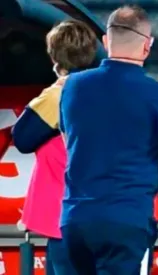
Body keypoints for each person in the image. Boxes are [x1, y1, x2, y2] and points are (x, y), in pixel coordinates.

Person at [58, 6, 158, 274]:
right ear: (147, 47)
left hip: (75, 219)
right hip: (125, 222)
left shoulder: (71, 87)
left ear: (105, 41)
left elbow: (69, 142)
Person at [11, 19, 97, 275]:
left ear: (53, 57)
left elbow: (23, 138)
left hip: (67, 217)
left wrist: (52, 92)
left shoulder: (58, 96)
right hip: (103, 212)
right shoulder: (106, 90)